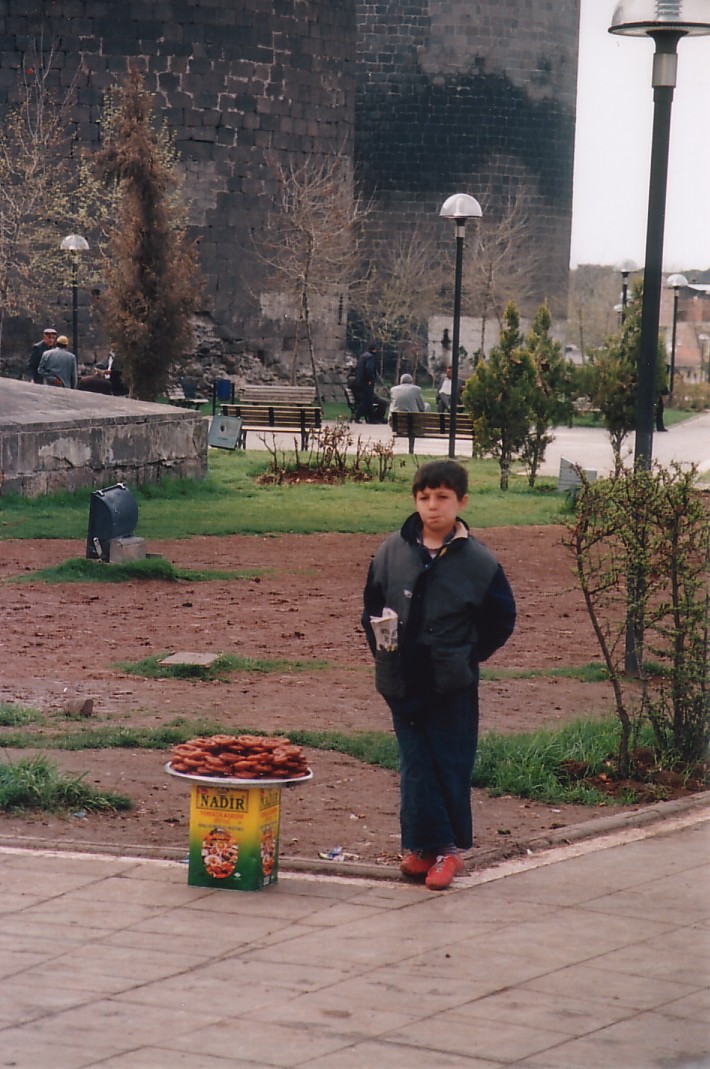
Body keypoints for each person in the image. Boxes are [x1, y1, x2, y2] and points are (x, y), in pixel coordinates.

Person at [362, 460, 516, 891]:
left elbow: (501, 619)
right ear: (415, 500)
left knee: (448, 761)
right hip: (401, 681)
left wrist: (467, 657)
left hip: (451, 684)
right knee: (415, 765)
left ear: (461, 501)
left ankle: (448, 850)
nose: (433, 507)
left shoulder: (479, 562)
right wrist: (384, 653)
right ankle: (420, 848)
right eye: (425, 497)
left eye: (443, 498)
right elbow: (371, 607)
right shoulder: (391, 550)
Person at [352, 342, 378, 423]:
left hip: (361, 381)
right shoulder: (370, 357)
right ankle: (357, 416)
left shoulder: (363, 356)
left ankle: (371, 418)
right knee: (367, 400)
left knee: (368, 401)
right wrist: (371, 379)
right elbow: (369, 369)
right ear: (374, 349)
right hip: (367, 382)